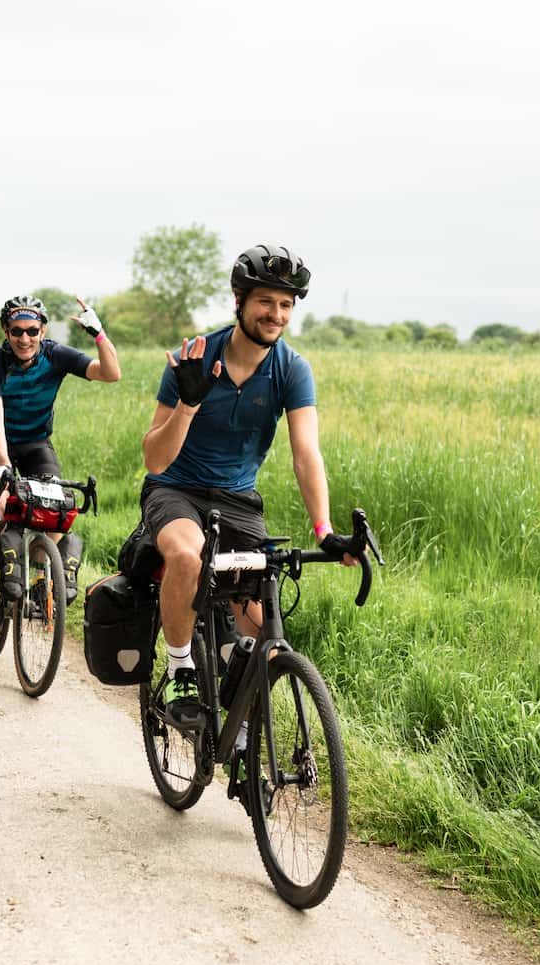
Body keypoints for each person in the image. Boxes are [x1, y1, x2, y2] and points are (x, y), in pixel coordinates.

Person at [138, 245, 356, 731]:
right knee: (190, 557)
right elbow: (154, 459)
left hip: (237, 501)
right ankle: (180, 672)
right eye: (266, 302)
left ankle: (237, 724)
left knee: (264, 634)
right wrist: (188, 404)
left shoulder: (291, 370)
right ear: (239, 300)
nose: (276, 314)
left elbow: (306, 454)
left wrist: (325, 530)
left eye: (286, 305)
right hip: (175, 491)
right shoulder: (195, 359)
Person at [0, 294, 119, 623]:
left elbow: (110, 373)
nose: (24, 339)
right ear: (6, 332)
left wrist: (98, 334)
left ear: (43, 331)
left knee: (55, 506)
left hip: (35, 443)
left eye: (32, 331)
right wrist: (3, 468)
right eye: (16, 331)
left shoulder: (55, 355)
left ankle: (36, 577)